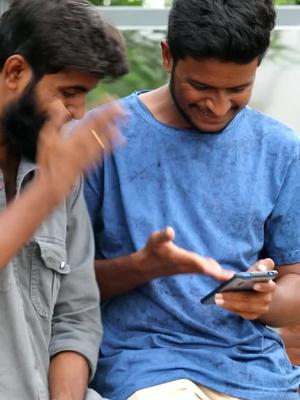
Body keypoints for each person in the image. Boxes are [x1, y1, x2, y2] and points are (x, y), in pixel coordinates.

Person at [84, 0, 300, 399]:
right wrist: (140, 267)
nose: (218, 107)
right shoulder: (101, 139)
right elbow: (60, 289)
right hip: (145, 366)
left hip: (256, 372)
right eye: (200, 86)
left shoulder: (281, 150)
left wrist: (263, 303)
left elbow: (295, 283)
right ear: (168, 57)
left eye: (238, 89)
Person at [0, 0, 127, 399]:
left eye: (86, 95)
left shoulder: (56, 167)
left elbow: (77, 317)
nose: (78, 112)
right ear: (15, 72)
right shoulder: (58, 178)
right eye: (69, 93)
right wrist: (48, 192)